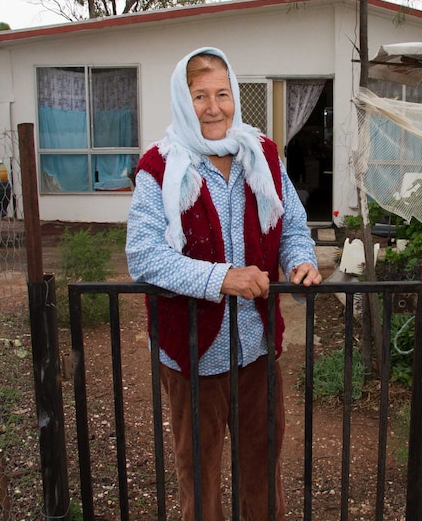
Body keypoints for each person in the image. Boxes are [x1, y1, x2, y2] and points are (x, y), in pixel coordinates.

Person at [126, 47, 321, 521]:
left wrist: (301, 261)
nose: (213, 108)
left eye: (222, 94)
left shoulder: (262, 155)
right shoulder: (160, 166)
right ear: (181, 99)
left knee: (263, 472)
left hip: (255, 350)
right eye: (199, 96)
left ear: (235, 96)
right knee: (200, 477)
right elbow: (143, 255)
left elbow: (292, 225)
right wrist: (222, 279)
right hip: (193, 353)